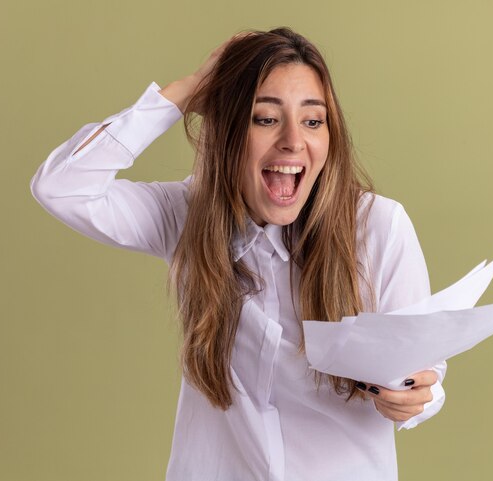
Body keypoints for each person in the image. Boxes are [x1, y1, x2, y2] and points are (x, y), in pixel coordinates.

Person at [31, 27, 446, 481]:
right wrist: (183, 94)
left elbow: (423, 375)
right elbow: (61, 187)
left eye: (313, 121)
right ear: (227, 131)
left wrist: (414, 396)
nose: (293, 140)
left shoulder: (378, 227)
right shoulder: (188, 216)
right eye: (265, 118)